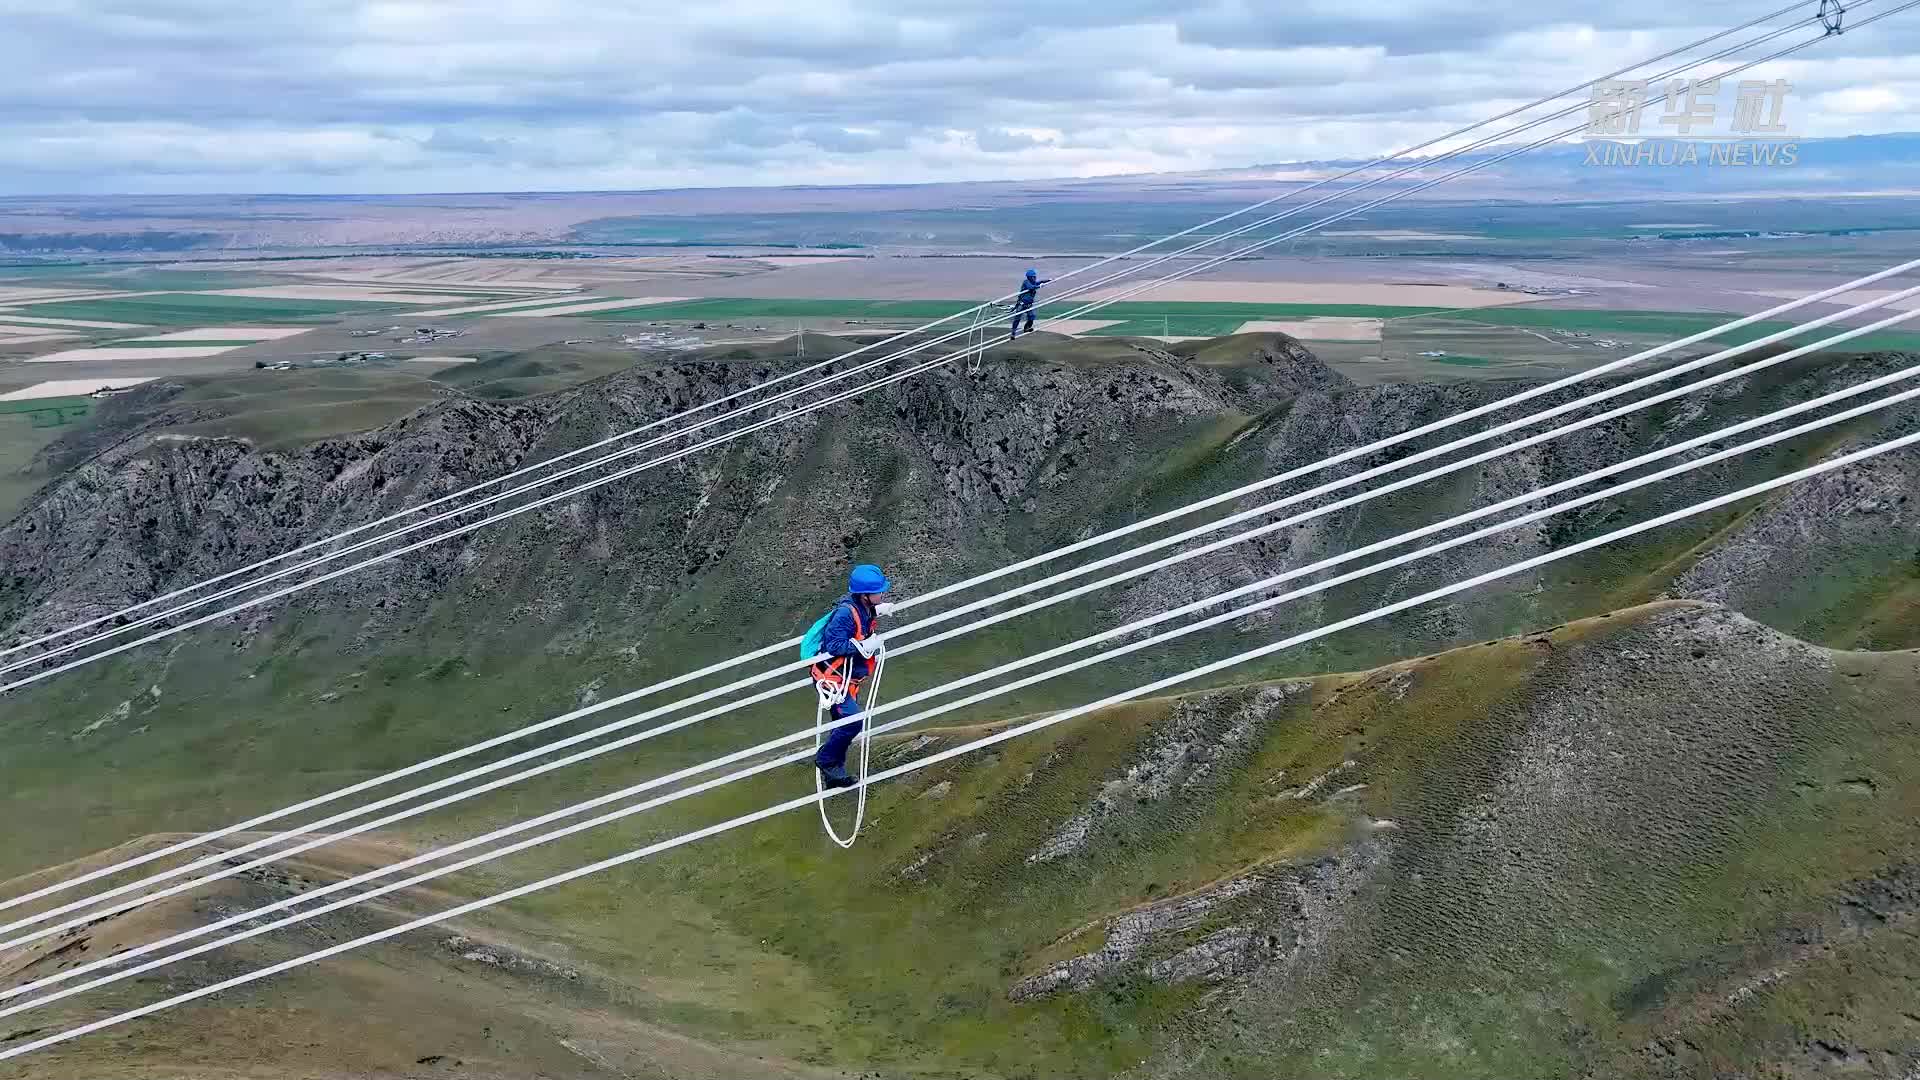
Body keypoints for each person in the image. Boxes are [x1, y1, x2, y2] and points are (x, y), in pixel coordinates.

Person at [811, 563, 897, 789]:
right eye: (878, 592)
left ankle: (834, 775)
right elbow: (834, 645)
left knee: (843, 724)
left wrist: (877, 611)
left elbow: (860, 620)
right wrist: (865, 645)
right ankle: (826, 760)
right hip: (833, 681)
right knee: (852, 722)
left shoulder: (862, 607)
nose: (882, 594)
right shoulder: (845, 613)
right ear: (864, 594)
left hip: (846, 679)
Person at [1008, 267, 1050, 341]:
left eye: (1035, 276)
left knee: (1031, 316)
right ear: (1030, 277)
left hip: (1028, 304)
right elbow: (1031, 287)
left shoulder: (1033, 282)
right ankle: (1013, 333)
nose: (1035, 278)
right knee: (1017, 318)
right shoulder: (1026, 282)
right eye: (1033, 277)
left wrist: (1048, 280)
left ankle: (1027, 328)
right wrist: (1039, 286)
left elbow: (1040, 282)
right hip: (1022, 303)